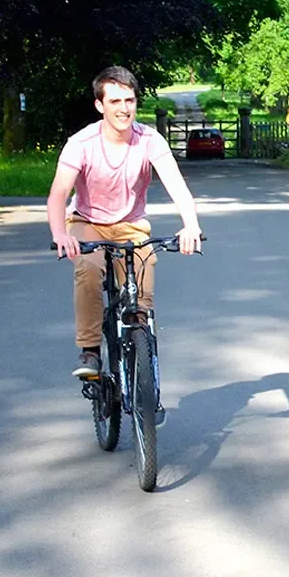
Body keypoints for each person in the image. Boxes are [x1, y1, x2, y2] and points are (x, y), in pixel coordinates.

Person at [47, 66, 203, 426]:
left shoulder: (149, 140)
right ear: (100, 105)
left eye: (129, 100)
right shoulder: (82, 143)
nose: (123, 108)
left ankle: (144, 375)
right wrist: (61, 234)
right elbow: (58, 194)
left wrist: (190, 225)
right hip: (87, 222)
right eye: (114, 100)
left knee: (143, 285)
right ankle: (89, 352)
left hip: (132, 226)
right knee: (88, 269)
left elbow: (178, 187)